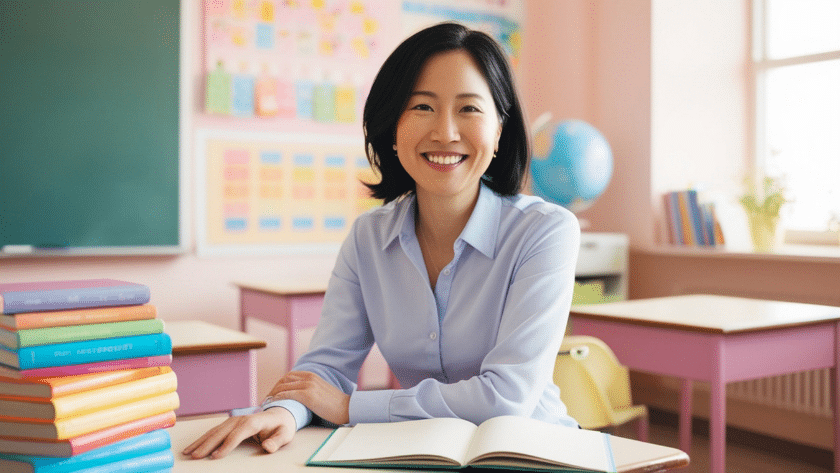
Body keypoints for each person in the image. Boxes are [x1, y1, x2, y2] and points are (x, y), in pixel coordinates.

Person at [184, 22, 581, 460]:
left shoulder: (545, 232)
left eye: (469, 109)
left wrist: (350, 407)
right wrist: (287, 410)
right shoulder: (368, 238)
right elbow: (327, 366)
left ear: (500, 130)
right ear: (393, 125)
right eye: (422, 107)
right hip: (421, 454)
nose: (446, 131)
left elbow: (507, 397)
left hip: (533, 453)